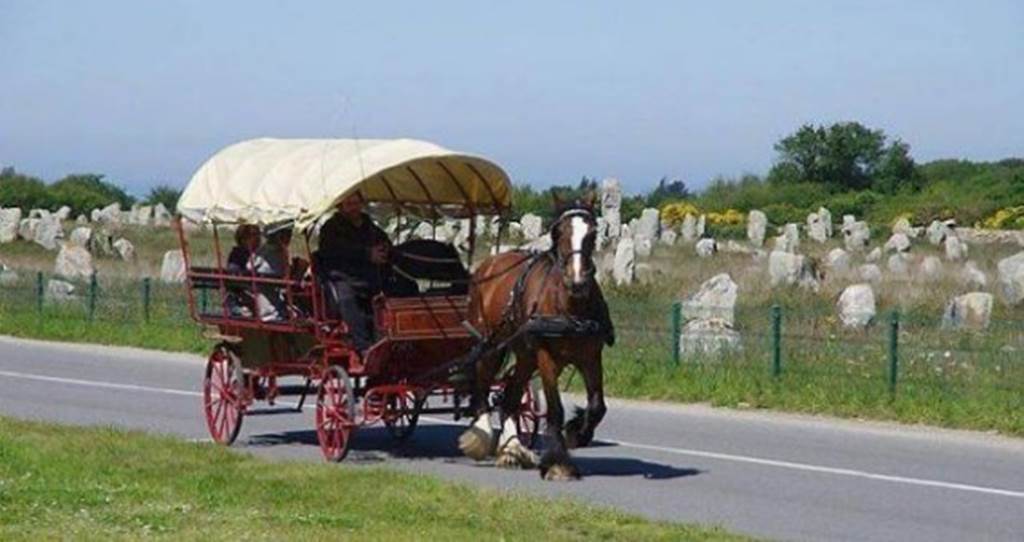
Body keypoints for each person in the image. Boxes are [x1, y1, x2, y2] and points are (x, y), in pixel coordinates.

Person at [318, 192, 391, 352]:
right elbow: (333, 251)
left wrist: (384, 250)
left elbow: (383, 241)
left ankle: (386, 341)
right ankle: (363, 346)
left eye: (356, 203)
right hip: (342, 277)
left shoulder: (368, 225)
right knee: (347, 299)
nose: (354, 208)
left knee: (390, 294)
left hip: (369, 277)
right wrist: (366, 253)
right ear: (341, 207)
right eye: (349, 204)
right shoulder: (331, 228)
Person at [248, 224, 296, 322]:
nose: (289, 238)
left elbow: (249, 266)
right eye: (287, 234)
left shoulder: (262, 250)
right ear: (279, 236)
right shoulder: (276, 253)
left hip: (265, 301)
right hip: (272, 309)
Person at [225, 224, 261, 316]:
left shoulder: (258, 255)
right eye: (253, 235)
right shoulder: (238, 255)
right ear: (243, 239)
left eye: (259, 234)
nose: (258, 238)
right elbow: (233, 276)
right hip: (241, 294)